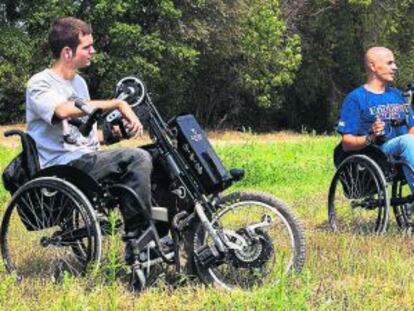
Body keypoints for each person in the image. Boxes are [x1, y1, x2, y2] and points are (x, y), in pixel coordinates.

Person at [26, 16, 152, 262]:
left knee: (154, 156)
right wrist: (117, 103)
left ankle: (162, 235)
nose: (93, 51)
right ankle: (139, 243)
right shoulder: (39, 84)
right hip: (62, 168)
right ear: (67, 52)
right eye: (87, 47)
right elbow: (62, 111)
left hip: (84, 159)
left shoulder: (80, 83)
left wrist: (113, 136)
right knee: (137, 158)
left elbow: (85, 135)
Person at [337, 46, 414, 192]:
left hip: (404, 150)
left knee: (408, 141)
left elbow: (412, 126)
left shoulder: (397, 95)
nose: (395, 67)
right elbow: (347, 143)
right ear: (372, 66)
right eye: (389, 63)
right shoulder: (356, 98)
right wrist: (371, 136)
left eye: (394, 63)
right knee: (408, 141)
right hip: (377, 154)